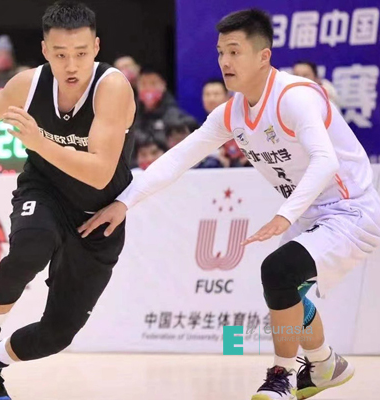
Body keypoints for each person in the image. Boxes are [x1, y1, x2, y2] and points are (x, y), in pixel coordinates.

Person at [79, 9, 380, 400]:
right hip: (308, 213)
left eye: (235, 51)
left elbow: (326, 161)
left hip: (350, 210)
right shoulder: (231, 113)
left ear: (263, 56)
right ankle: (325, 364)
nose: (225, 61)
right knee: (287, 291)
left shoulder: (295, 97)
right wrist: (124, 202)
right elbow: (177, 159)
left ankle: (281, 375)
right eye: (221, 52)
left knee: (278, 272)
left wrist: (284, 215)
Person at [0, 1, 135, 399]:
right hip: (45, 190)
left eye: (81, 53)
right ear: (45, 50)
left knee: (57, 334)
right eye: (61, 54)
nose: (71, 65)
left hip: (99, 213)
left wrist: (39, 140)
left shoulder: (112, 88)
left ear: (97, 47)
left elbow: (100, 172)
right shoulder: (28, 84)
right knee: (30, 248)